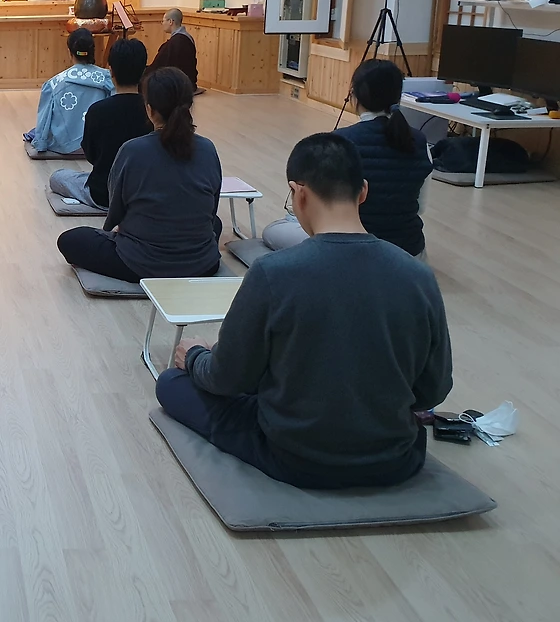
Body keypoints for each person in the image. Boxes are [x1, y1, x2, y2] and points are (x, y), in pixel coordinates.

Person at [156, 133, 453, 489]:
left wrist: (195, 358)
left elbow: (227, 379)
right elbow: (433, 390)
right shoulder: (419, 276)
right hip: (395, 459)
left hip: (294, 457)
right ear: (363, 191)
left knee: (171, 384)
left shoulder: (273, 273)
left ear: (298, 193)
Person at [57, 67, 222, 282]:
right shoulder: (208, 148)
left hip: (141, 264)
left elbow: (116, 210)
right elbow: (211, 207)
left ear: (149, 109)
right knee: (215, 224)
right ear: (189, 106)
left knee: (70, 240)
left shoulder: (133, 150)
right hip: (202, 265)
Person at [262, 60, 434, 257]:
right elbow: (420, 207)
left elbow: (324, 209)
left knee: (274, 231)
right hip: (410, 251)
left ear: (355, 95)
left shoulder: (340, 142)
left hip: (349, 249)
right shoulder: (420, 141)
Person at [47, 37, 152, 209]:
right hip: (141, 193)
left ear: (111, 70)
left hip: (103, 193)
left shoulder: (98, 110)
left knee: (58, 177)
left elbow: (91, 155)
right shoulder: (153, 111)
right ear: (143, 71)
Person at [26, 28, 114, 154]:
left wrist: (40, 143)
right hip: (98, 144)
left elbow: (44, 119)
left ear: (69, 52)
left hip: (64, 146)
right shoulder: (107, 78)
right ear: (93, 51)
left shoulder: (54, 83)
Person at [149, 9, 199, 91]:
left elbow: (159, 65)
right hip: (189, 81)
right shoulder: (188, 37)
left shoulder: (176, 42)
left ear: (170, 22)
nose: (162, 23)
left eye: (163, 21)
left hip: (179, 85)